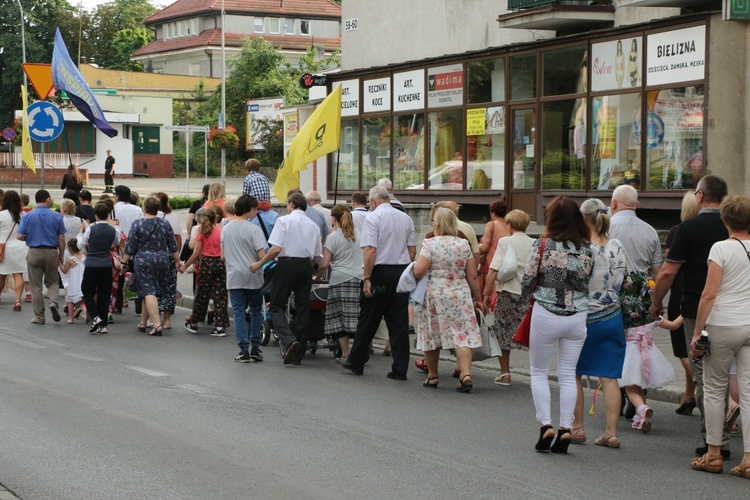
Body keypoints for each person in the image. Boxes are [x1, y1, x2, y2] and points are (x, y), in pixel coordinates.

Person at [649, 174, 731, 459]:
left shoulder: (688, 228)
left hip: (698, 310)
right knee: (733, 376)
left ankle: (713, 440)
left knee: (705, 376)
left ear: (699, 196)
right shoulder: (735, 228)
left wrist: (657, 302)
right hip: (736, 311)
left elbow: (669, 271)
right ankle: (727, 430)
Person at [522, 196, 593, 454]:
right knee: (567, 374)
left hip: (546, 312)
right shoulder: (587, 249)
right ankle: (565, 428)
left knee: (539, 372)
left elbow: (528, 280)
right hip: (577, 316)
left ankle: (545, 425)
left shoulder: (542, 245)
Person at [689, 195, 750, 477]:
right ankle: (748, 458)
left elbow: (709, 294)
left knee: (715, 389)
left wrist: (699, 331)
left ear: (724, 221)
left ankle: (714, 454)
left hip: (723, 324)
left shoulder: (721, 248)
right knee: (748, 393)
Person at [340, 185, 416, 379]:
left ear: (372, 201)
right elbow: (412, 250)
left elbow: (370, 250)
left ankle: (356, 361)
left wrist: (367, 278)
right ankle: (400, 369)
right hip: (400, 271)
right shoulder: (405, 218)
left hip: (380, 271)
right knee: (399, 321)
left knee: (368, 318)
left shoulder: (373, 217)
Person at [571, 198, 627, 448]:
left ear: (584, 218)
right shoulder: (617, 244)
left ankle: (577, 427)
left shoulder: (580, 247)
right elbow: (626, 280)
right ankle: (611, 432)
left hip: (584, 317)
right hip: (613, 316)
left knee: (574, 373)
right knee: (610, 376)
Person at [413, 207, 485, 391]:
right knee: (462, 335)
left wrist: (412, 270)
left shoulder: (430, 244)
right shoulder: (463, 244)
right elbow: (472, 275)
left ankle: (433, 375)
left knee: (432, 334)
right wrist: (478, 298)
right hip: (460, 293)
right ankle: (466, 374)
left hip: (435, 293)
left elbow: (419, 270)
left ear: (436, 223)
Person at [249, 192, 323, 365]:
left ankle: (289, 340)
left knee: (275, 306)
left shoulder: (284, 221)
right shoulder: (313, 225)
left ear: (290, 204)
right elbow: (316, 255)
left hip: (286, 264)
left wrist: (260, 263)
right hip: (305, 266)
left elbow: (275, 249)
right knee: (302, 308)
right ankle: (299, 352)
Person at [484, 209, 535, 386]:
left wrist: (486, 293)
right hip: (528, 295)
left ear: (509, 225)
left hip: (508, 293)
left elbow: (494, 269)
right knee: (531, 333)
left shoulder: (506, 241)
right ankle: (537, 373)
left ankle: (505, 373)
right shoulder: (536, 243)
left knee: (503, 332)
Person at [122, 196, 180, 337]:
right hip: (162, 260)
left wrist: (124, 262)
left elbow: (130, 246)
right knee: (148, 291)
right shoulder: (165, 224)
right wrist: (178, 261)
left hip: (143, 261)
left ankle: (156, 324)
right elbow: (172, 245)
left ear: (145, 208)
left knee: (148, 292)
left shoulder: (137, 224)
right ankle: (143, 322)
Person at [314, 205, 363, 362]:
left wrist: (317, 278)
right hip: (359, 278)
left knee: (339, 318)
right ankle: (361, 350)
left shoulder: (333, 237)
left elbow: (324, 264)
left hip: (340, 279)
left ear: (333, 219)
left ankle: (346, 353)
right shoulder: (359, 234)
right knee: (356, 316)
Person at [221, 195, 267, 362]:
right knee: (255, 311)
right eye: (255, 208)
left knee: (239, 312)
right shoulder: (254, 229)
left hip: (234, 275)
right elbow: (262, 255)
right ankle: (255, 347)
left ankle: (243, 350)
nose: (256, 211)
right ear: (248, 209)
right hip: (253, 274)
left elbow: (223, 256)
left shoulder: (226, 228)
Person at [667, 191, 700, 416]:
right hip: (705, 294)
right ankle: (688, 394)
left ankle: (708, 390)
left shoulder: (678, 232)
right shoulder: (716, 229)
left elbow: (670, 266)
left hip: (681, 292)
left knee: (683, 349)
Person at [620, 315, 679, 433]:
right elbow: (673, 325)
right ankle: (641, 417)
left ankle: (642, 408)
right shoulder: (652, 316)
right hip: (648, 354)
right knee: (640, 388)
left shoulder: (627, 317)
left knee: (630, 389)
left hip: (631, 355)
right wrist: (686, 313)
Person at [16, 189, 67, 324]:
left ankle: (39, 316)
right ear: (48, 199)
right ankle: (53, 303)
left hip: (34, 251)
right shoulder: (56, 216)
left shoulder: (28, 216)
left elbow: (19, 235)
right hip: (51, 251)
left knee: (36, 285)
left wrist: (29, 238)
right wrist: (61, 254)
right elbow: (61, 238)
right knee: (53, 281)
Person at [180, 208, 229, 337]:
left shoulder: (202, 232)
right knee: (220, 294)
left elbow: (196, 253)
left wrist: (185, 266)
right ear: (216, 219)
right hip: (219, 263)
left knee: (202, 294)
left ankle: (194, 322)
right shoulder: (221, 232)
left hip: (206, 263)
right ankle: (220, 326)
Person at [77, 202, 120, 334]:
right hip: (106, 264)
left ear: (95, 215)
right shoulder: (113, 230)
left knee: (87, 292)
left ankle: (95, 318)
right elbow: (116, 242)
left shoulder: (90, 229)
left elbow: (80, 246)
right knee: (104, 295)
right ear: (108, 215)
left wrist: (80, 234)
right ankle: (103, 323)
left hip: (92, 264)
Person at [113, 185, 144, 314]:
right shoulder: (137, 209)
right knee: (137, 274)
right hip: (135, 245)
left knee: (118, 276)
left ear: (117, 196)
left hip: (119, 244)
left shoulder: (113, 209)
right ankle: (138, 300)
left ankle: (118, 304)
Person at [155, 192, 182, 329]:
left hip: (153, 255)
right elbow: (178, 239)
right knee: (169, 288)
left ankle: (152, 318)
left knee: (153, 287)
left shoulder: (150, 217)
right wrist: (177, 257)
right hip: (170, 256)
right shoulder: (172, 217)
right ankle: (166, 319)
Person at [478, 200, 510, 307]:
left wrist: (474, 246)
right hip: (505, 264)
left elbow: (485, 247)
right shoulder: (509, 225)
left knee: (486, 297)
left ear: (493, 213)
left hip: (490, 265)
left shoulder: (491, 224)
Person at [0, 190, 28, 311]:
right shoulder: (23, 215)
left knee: (1, 275)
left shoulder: (1, 215)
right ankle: (17, 300)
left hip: (4, 248)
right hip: (21, 247)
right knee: (18, 274)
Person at [59, 239, 85, 325]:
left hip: (74, 282)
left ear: (70, 248)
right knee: (82, 299)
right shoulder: (84, 257)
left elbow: (65, 271)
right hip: (84, 280)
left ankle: (71, 318)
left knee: (70, 300)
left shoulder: (70, 259)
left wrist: (60, 264)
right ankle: (86, 311)